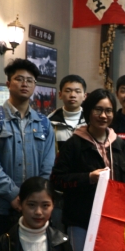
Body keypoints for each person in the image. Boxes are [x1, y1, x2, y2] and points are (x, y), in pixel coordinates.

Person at [0, 58, 55, 240]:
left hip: (34, 208)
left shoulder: (43, 123)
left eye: (30, 80)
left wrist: (33, 198)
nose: (25, 84)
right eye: (19, 79)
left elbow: (48, 165)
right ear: (8, 84)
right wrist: (14, 194)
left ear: (34, 86)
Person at [51, 89, 125, 251]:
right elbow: (57, 180)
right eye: (98, 110)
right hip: (80, 220)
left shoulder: (119, 144)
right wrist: (88, 178)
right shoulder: (74, 144)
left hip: (112, 219)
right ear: (88, 111)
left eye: (108, 110)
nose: (103, 116)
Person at [47, 75, 87, 232]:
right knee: (57, 234)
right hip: (57, 189)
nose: (73, 95)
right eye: (68, 91)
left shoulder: (91, 122)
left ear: (84, 95)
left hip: (84, 187)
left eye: (77, 91)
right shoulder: (48, 122)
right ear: (60, 94)